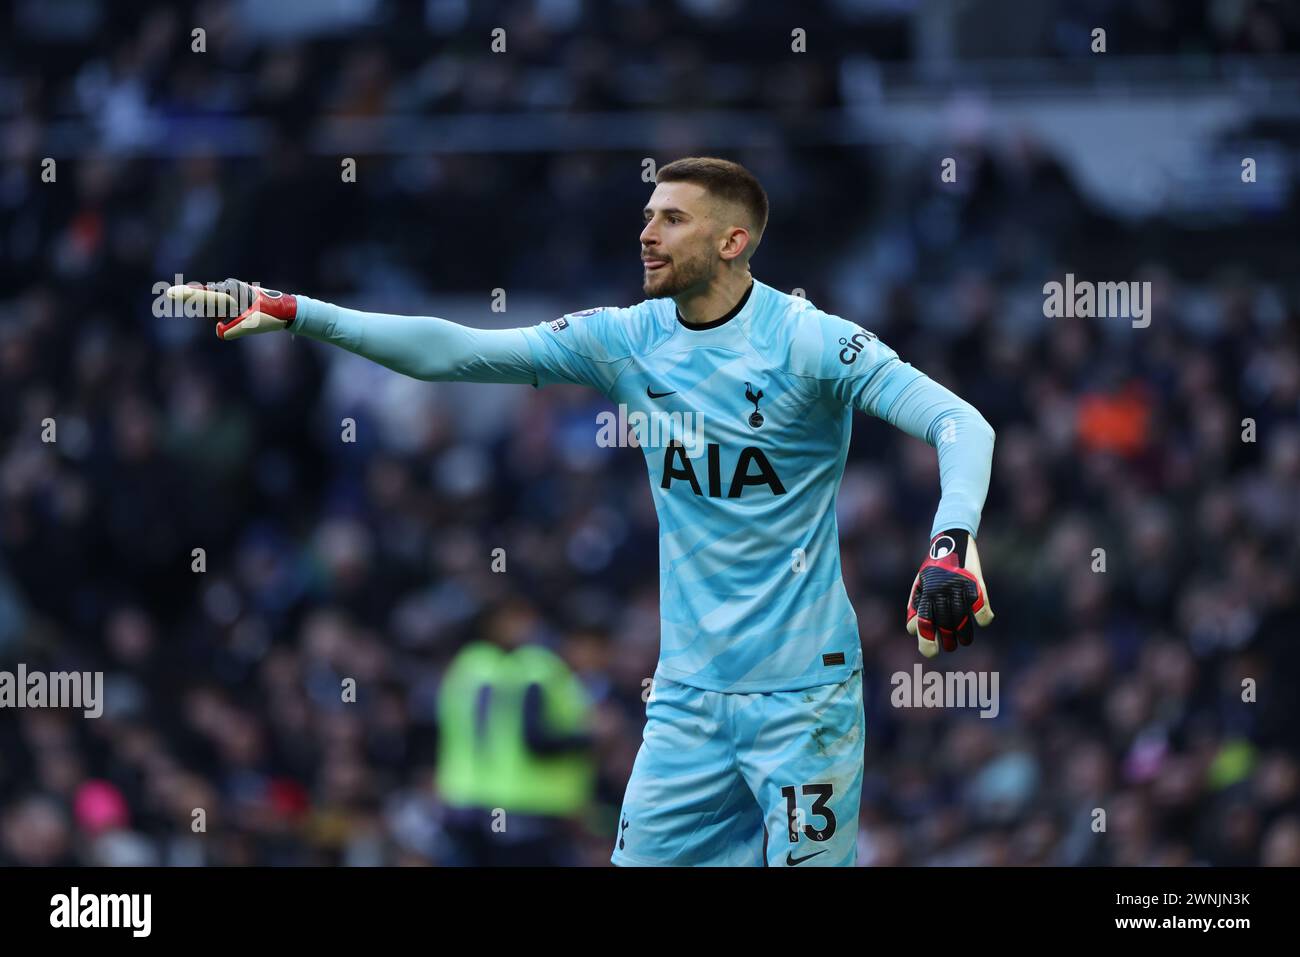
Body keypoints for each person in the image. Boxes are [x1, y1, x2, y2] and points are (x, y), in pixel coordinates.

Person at [166, 156, 995, 867]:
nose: (648, 233)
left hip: (803, 698)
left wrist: (950, 542)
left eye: (672, 219)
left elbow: (961, 423)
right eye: (647, 216)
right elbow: (455, 351)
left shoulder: (810, 342)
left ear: (732, 241)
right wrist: (298, 311)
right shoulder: (625, 339)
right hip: (688, 701)